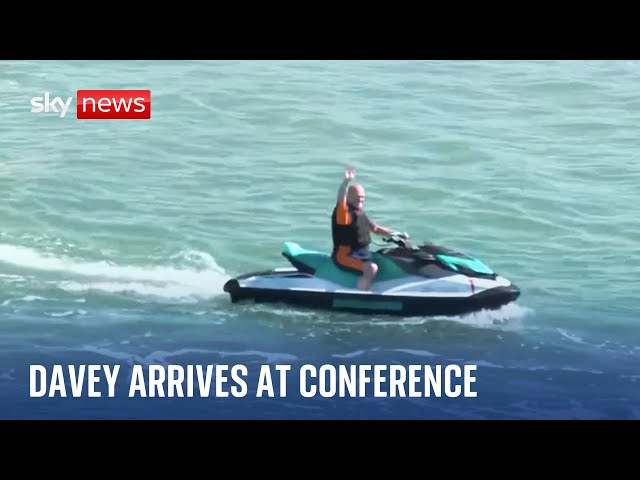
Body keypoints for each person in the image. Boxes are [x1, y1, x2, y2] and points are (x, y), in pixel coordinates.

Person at [331, 165, 396, 290]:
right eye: (358, 197)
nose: (361, 200)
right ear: (349, 197)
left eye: (362, 198)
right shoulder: (343, 213)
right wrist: (345, 183)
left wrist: (395, 234)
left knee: (387, 258)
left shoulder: (359, 212)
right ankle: (361, 295)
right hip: (345, 256)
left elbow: (375, 228)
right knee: (371, 268)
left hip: (361, 253)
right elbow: (340, 199)